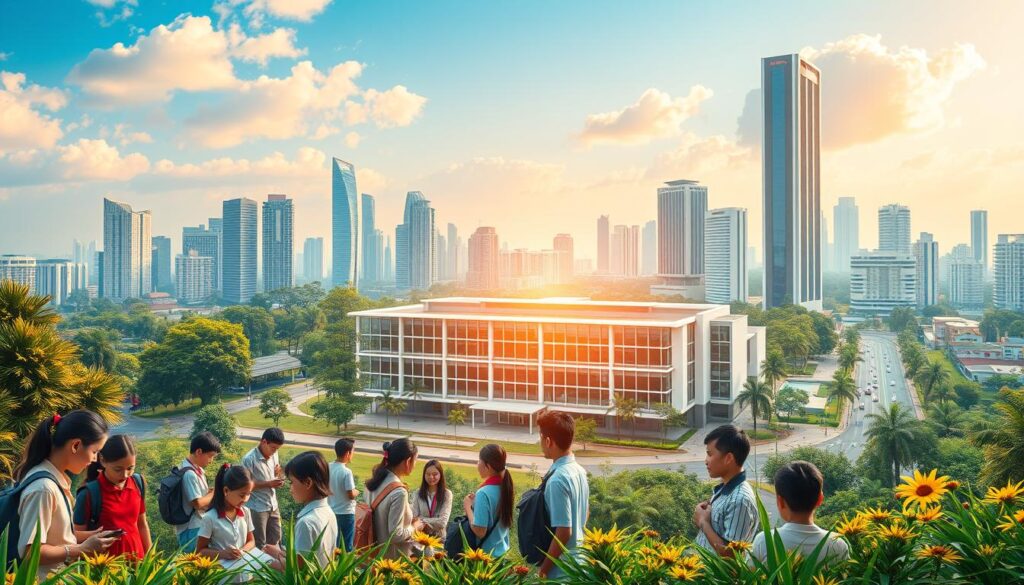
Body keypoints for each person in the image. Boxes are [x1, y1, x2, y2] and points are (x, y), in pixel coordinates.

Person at [14, 411, 119, 580]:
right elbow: (30, 552)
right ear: (76, 445)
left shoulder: (53, 480)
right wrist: (81, 549)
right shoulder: (43, 489)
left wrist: (91, 537)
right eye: (94, 451)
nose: (95, 459)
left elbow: (54, 536)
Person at [750, 461, 849, 563]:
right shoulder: (838, 545)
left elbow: (748, 572)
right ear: (820, 499)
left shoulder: (765, 541)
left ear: (780, 502)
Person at [72, 434, 152, 559]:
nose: (125, 475)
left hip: (139, 563)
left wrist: (151, 559)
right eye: (118, 469)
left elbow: (142, 524)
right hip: (105, 565)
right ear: (103, 461)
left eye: (130, 468)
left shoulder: (137, 483)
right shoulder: (89, 494)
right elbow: (75, 537)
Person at [196, 464, 277, 581]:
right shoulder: (210, 518)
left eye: (249, 494)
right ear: (226, 491)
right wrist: (223, 554)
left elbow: (251, 541)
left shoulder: (245, 512)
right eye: (242, 495)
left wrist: (242, 552)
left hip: (245, 575)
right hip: (223, 578)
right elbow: (200, 551)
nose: (245, 499)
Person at [536, 411, 589, 580]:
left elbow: (564, 532)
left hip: (562, 571)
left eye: (540, 438)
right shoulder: (579, 471)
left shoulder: (557, 480)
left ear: (548, 441)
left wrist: (543, 571)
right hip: (579, 562)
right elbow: (586, 512)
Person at [693, 424, 758, 557]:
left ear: (728, 458)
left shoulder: (740, 500)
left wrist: (703, 522)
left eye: (710, 454)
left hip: (711, 570)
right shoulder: (725, 487)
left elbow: (731, 554)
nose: (706, 461)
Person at [364, 439, 423, 559]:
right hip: (391, 559)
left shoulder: (374, 482)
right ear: (408, 461)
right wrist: (415, 527)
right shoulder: (399, 492)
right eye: (416, 459)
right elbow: (396, 534)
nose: (415, 464)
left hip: (372, 554)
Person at [463, 444, 514, 557]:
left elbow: (480, 531)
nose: (477, 464)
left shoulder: (483, 493)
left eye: (479, 461)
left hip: (486, 559)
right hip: (502, 555)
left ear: (488, 466)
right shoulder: (505, 488)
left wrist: (468, 507)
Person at [175, 432, 222, 552]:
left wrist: (208, 493)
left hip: (196, 525)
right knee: (194, 560)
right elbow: (198, 503)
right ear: (199, 452)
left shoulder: (194, 469)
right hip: (191, 528)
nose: (211, 460)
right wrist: (214, 493)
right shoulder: (189, 474)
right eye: (210, 456)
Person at [241, 428, 285, 549]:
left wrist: (278, 476)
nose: (275, 451)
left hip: (273, 505)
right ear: (264, 442)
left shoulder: (274, 454)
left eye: (277, 449)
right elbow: (245, 486)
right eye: (273, 448)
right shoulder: (249, 459)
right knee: (259, 543)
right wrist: (269, 484)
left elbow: (275, 472)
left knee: (276, 540)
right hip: (257, 507)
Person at [410, 459, 452, 555]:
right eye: (428, 474)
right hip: (420, 540)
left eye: (435, 474)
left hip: (439, 540)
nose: (431, 477)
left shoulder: (447, 494)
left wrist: (422, 520)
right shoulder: (417, 493)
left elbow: (442, 522)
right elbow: (414, 518)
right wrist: (432, 520)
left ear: (440, 475)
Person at [328, 438, 359, 552]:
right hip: (345, 513)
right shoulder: (346, 472)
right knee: (346, 547)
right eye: (353, 451)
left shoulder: (328, 467)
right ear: (347, 453)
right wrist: (357, 491)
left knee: (332, 544)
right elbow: (351, 494)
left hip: (331, 511)